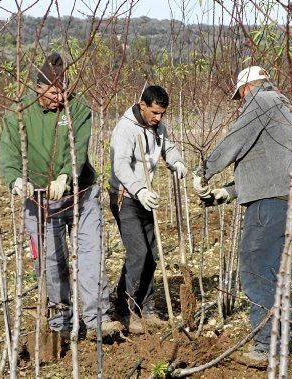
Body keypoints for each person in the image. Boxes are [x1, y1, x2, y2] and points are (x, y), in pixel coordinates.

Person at [0, 52, 121, 340]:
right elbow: (9, 154)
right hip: (39, 200)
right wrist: (16, 179)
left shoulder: (77, 108)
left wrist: (66, 175)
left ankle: (98, 320)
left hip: (81, 194)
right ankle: (62, 324)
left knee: (91, 256)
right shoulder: (18, 113)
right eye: (54, 92)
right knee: (51, 263)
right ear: (38, 88)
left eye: (64, 90)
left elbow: (78, 147)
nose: (60, 97)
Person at [192, 66, 292, 367]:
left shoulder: (260, 101)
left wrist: (205, 169)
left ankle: (266, 346)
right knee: (273, 270)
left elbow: (236, 139)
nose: (241, 101)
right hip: (283, 198)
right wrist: (228, 191)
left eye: (240, 95)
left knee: (256, 268)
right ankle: (276, 342)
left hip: (269, 203)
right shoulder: (283, 104)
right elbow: (267, 163)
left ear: (248, 87)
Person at [109, 85, 187, 333]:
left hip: (146, 197)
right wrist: (139, 189)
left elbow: (168, 146)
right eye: (154, 112)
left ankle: (147, 306)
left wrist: (176, 161)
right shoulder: (125, 129)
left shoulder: (157, 127)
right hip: (126, 197)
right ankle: (124, 308)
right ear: (142, 105)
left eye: (162, 114)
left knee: (152, 253)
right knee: (138, 252)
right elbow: (120, 166)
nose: (158, 118)